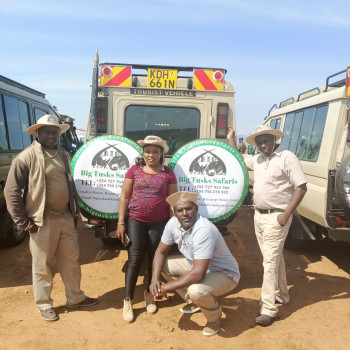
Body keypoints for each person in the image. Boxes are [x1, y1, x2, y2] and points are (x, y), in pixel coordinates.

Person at [4, 114, 98, 322]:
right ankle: (44, 304)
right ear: (37, 133)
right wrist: (23, 222)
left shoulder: (62, 154)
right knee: (42, 265)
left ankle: (75, 297)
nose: (51, 134)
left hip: (65, 217)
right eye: (46, 131)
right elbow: (11, 192)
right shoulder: (26, 157)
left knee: (71, 261)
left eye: (55, 131)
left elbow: (70, 183)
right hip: (41, 221)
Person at [227, 125, 307, 326]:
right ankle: (282, 295)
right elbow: (239, 160)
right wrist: (231, 138)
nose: (263, 145)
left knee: (269, 262)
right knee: (274, 257)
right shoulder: (259, 159)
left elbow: (301, 187)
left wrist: (286, 214)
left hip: (277, 217)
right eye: (259, 142)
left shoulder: (287, 157)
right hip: (259, 216)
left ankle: (269, 309)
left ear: (274, 140)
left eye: (266, 140)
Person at [150, 191, 240, 337]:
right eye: (180, 210)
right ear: (174, 213)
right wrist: (155, 279)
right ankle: (194, 302)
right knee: (165, 264)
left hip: (225, 274)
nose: (185, 213)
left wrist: (164, 288)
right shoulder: (172, 224)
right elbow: (160, 252)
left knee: (196, 290)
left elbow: (198, 275)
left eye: (189, 208)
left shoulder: (203, 229)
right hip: (198, 267)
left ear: (196, 209)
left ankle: (214, 318)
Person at [116, 135, 177, 323]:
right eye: (147, 151)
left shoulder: (168, 173)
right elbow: (125, 197)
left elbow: (172, 202)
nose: (151, 155)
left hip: (159, 222)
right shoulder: (134, 170)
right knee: (134, 259)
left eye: (155, 151)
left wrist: (173, 225)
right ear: (143, 153)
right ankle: (128, 300)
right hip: (136, 220)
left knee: (154, 258)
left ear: (161, 154)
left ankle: (150, 294)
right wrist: (121, 222)